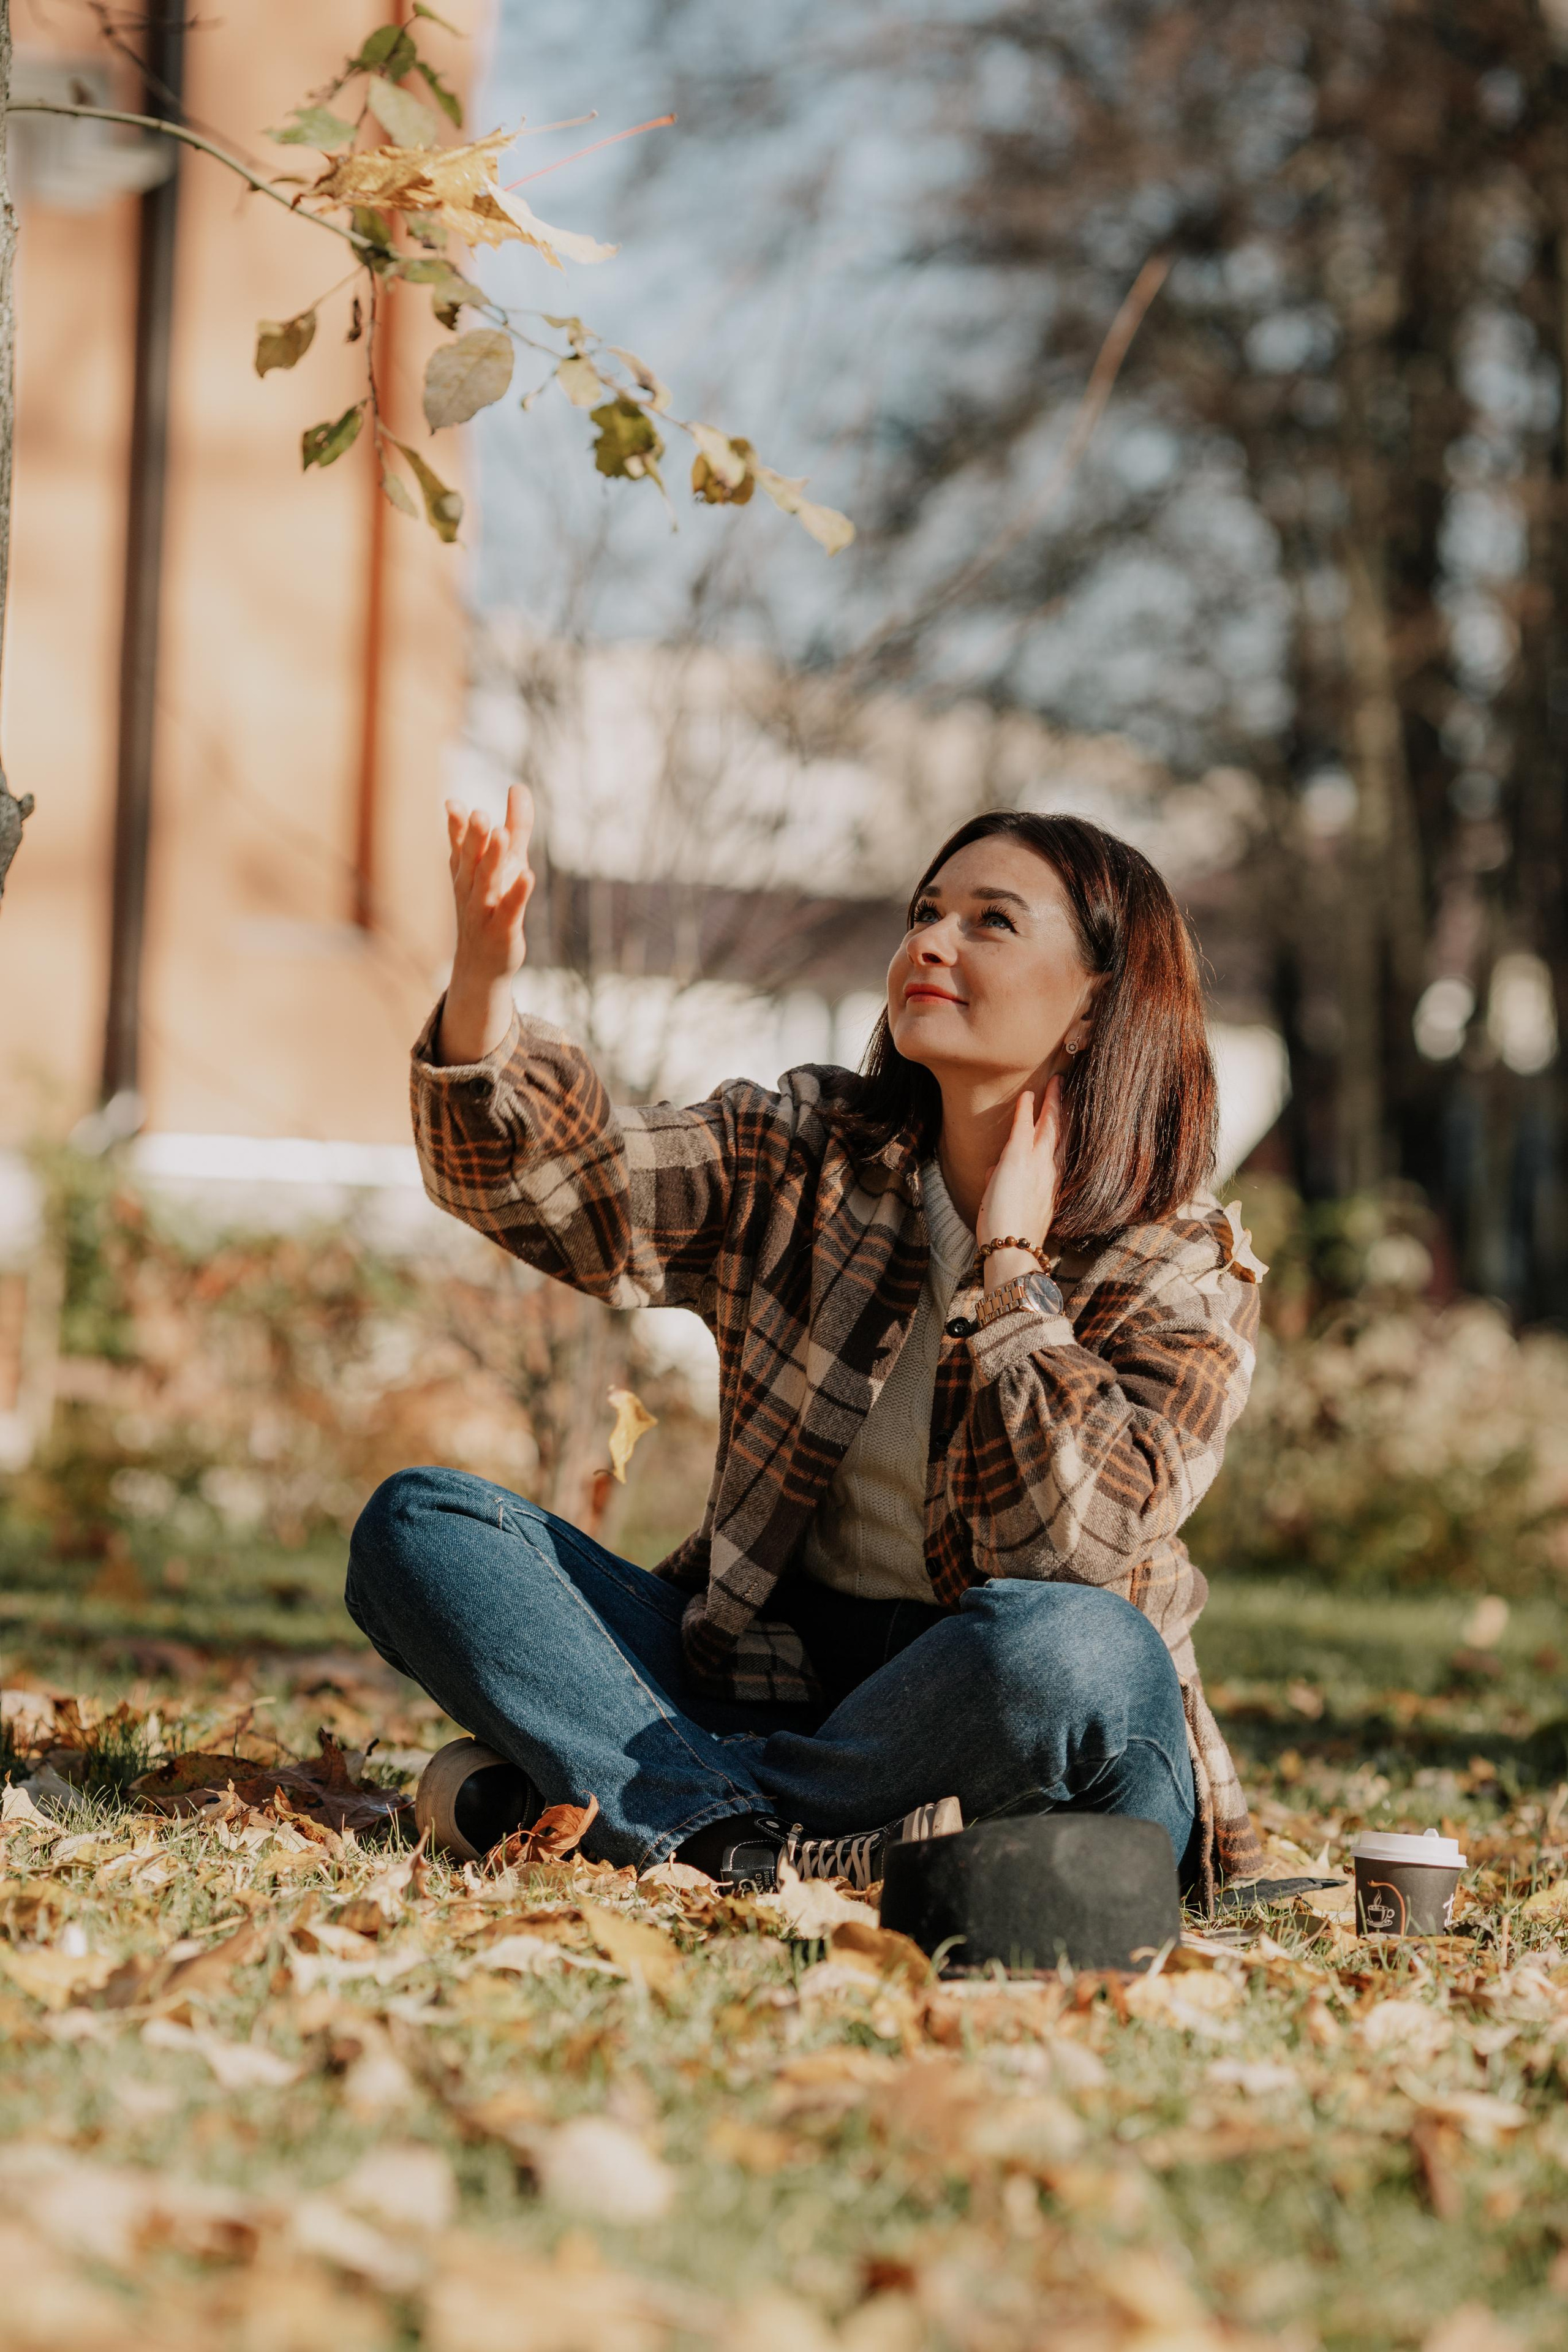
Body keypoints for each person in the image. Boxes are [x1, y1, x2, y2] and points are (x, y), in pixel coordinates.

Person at [347, 788, 1268, 1910]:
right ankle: (746, 1838)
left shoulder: (1185, 1262)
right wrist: (486, 987)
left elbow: (1074, 1546)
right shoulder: (806, 1154)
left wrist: (1014, 1268)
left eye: (993, 921)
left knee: (1075, 1647)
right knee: (422, 1528)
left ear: (1092, 1008)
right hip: (778, 1687)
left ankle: (634, 1805)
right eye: (927, 910)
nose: (931, 940)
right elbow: (580, 1196)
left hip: (1008, 1710)